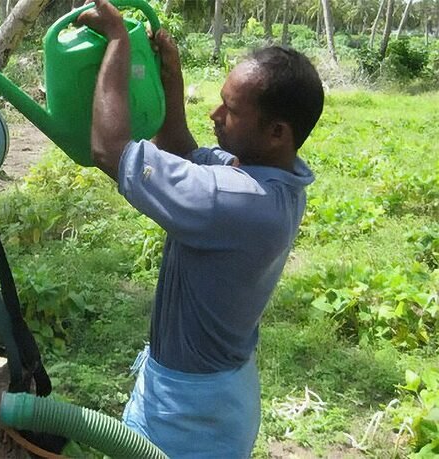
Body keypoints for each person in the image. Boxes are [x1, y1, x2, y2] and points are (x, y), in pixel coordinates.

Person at [76, 0, 324, 457]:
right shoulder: (274, 177)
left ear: (277, 132)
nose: (214, 114)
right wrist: (172, 80)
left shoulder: (234, 198)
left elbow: (111, 150)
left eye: (230, 109)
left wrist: (117, 43)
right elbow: (182, 151)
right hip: (220, 390)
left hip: (189, 412)